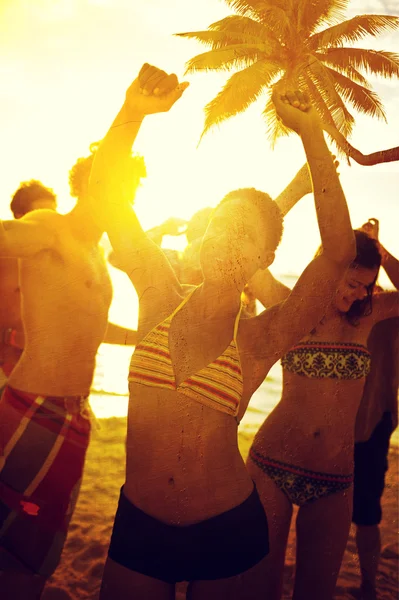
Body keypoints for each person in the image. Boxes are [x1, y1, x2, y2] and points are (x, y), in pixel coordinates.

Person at [88, 64, 355, 600]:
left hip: (228, 529)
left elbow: (337, 254)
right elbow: (107, 198)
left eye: (243, 234)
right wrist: (131, 114)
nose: (223, 240)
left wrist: (311, 136)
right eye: (217, 226)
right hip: (139, 524)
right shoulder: (157, 296)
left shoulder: (261, 337)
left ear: (266, 257)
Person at [0, 153, 140, 599]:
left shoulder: (95, 254)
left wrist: (143, 337)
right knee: (11, 545)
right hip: (33, 405)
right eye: (121, 192)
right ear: (91, 187)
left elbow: (93, 325)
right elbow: (6, 234)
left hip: (77, 415)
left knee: (44, 547)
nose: (127, 204)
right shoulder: (49, 227)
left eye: (132, 194)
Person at [246, 219, 399, 599]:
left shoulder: (368, 316)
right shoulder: (288, 305)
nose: (359, 294)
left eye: (366, 286)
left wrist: (377, 251)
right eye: (352, 284)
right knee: (261, 589)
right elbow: (245, 261)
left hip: (334, 479)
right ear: (328, 267)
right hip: (271, 465)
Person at [351, 219, 399, 600]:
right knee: (326, 514)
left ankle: (368, 585)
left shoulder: (385, 306)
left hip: (372, 423)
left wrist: (379, 250)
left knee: (366, 512)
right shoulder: (328, 301)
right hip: (327, 426)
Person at [0, 181, 57, 394]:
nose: (49, 224)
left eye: (53, 215)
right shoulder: (4, 257)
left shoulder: (55, 264)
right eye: (41, 215)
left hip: (40, 375)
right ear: (18, 217)